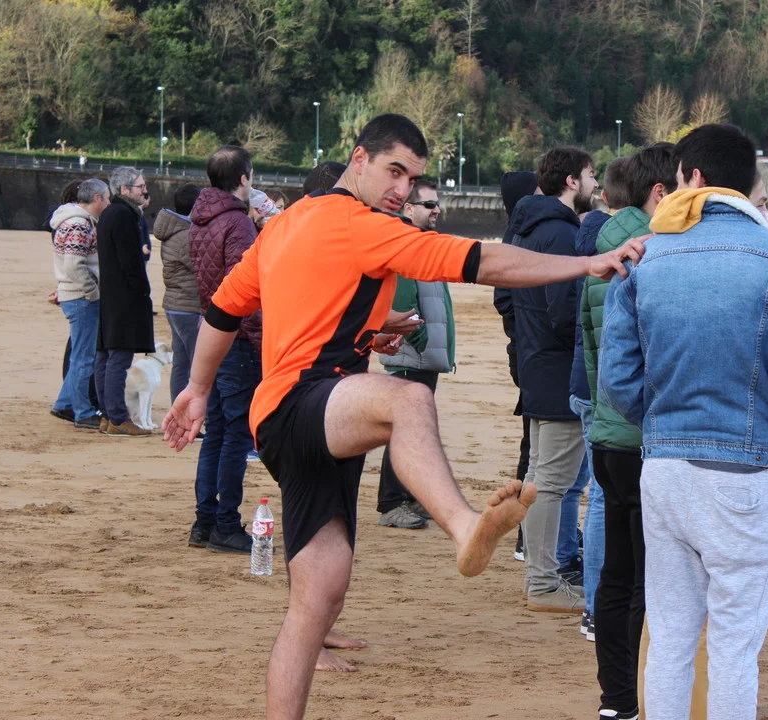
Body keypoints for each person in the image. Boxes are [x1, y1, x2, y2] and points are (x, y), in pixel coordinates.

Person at [162, 113, 644, 719]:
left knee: (317, 602)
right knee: (409, 399)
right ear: (358, 159)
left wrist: (197, 388)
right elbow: (481, 261)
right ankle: (464, 527)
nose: (402, 189)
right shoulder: (362, 225)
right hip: (303, 404)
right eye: (394, 172)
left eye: (412, 179)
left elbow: (224, 311)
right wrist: (587, 264)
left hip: (298, 419)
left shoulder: (283, 225)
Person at [599, 123, 768, 720]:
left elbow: (618, 380)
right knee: (733, 648)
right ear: (747, 183)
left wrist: (660, 421)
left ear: (693, 177)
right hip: (744, 469)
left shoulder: (645, 255)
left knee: (670, 639)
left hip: (665, 467)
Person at [580, 143, 676, 719]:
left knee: (616, 575)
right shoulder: (649, 255)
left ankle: (617, 701)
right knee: (650, 581)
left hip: (607, 435)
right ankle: (648, 697)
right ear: (660, 194)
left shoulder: (603, 252)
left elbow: (594, 350)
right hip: (644, 438)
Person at [511, 147, 599, 613]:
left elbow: (508, 298)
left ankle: (539, 576)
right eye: (590, 175)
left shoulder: (526, 228)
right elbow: (565, 311)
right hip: (557, 369)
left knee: (539, 477)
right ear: (570, 181)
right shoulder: (561, 233)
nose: (595, 183)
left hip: (534, 363)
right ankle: (543, 582)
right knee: (552, 481)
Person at [187, 145, 263, 554]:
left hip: (210, 331)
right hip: (236, 338)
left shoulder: (200, 218)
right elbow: (243, 290)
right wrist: (260, 339)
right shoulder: (237, 222)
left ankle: (205, 520)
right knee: (235, 434)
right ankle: (226, 523)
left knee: (217, 431)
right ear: (244, 178)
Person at [571, 156, 629, 639]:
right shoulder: (628, 251)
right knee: (608, 503)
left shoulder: (594, 239)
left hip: (589, 389)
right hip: (607, 399)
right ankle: (599, 607)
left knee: (600, 499)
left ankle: (596, 608)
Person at [376, 179, 451, 530]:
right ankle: (391, 503)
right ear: (408, 208)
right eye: (429, 204)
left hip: (421, 356)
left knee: (416, 429)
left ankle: (408, 495)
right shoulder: (406, 244)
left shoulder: (422, 243)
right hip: (411, 356)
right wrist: (421, 341)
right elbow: (402, 300)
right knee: (404, 430)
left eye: (437, 204)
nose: (437, 210)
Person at [493, 170, 539, 561]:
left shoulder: (517, 234)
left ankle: (532, 530)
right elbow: (503, 300)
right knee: (535, 445)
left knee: (534, 443)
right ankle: (528, 532)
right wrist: (526, 328)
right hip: (529, 352)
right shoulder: (519, 237)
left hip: (523, 350)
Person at [95, 166, 154, 437]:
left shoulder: (111, 212)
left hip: (111, 294)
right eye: (140, 186)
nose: (145, 190)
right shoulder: (122, 214)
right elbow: (130, 260)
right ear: (124, 189)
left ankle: (108, 416)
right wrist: (142, 289)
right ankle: (117, 417)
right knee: (117, 357)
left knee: (106, 355)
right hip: (123, 296)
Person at [50, 178, 111, 430]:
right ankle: (83, 412)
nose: (109, 203)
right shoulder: (79, 223)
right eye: (107, 198)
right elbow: (74, 265)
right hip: (81, 297)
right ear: (97, 198)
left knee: (80, 354)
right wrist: (93, 292)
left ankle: (65, 403)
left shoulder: (72, 220)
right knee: (84, 358)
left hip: (73, 294)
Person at [154, 183, 202, 404]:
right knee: (196, 366)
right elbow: (202, 267)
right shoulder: (186, 235)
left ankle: (178, 409)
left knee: (182, 365)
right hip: (188, 305)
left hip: (175, 305)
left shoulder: (175, 229)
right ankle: (191, 413)